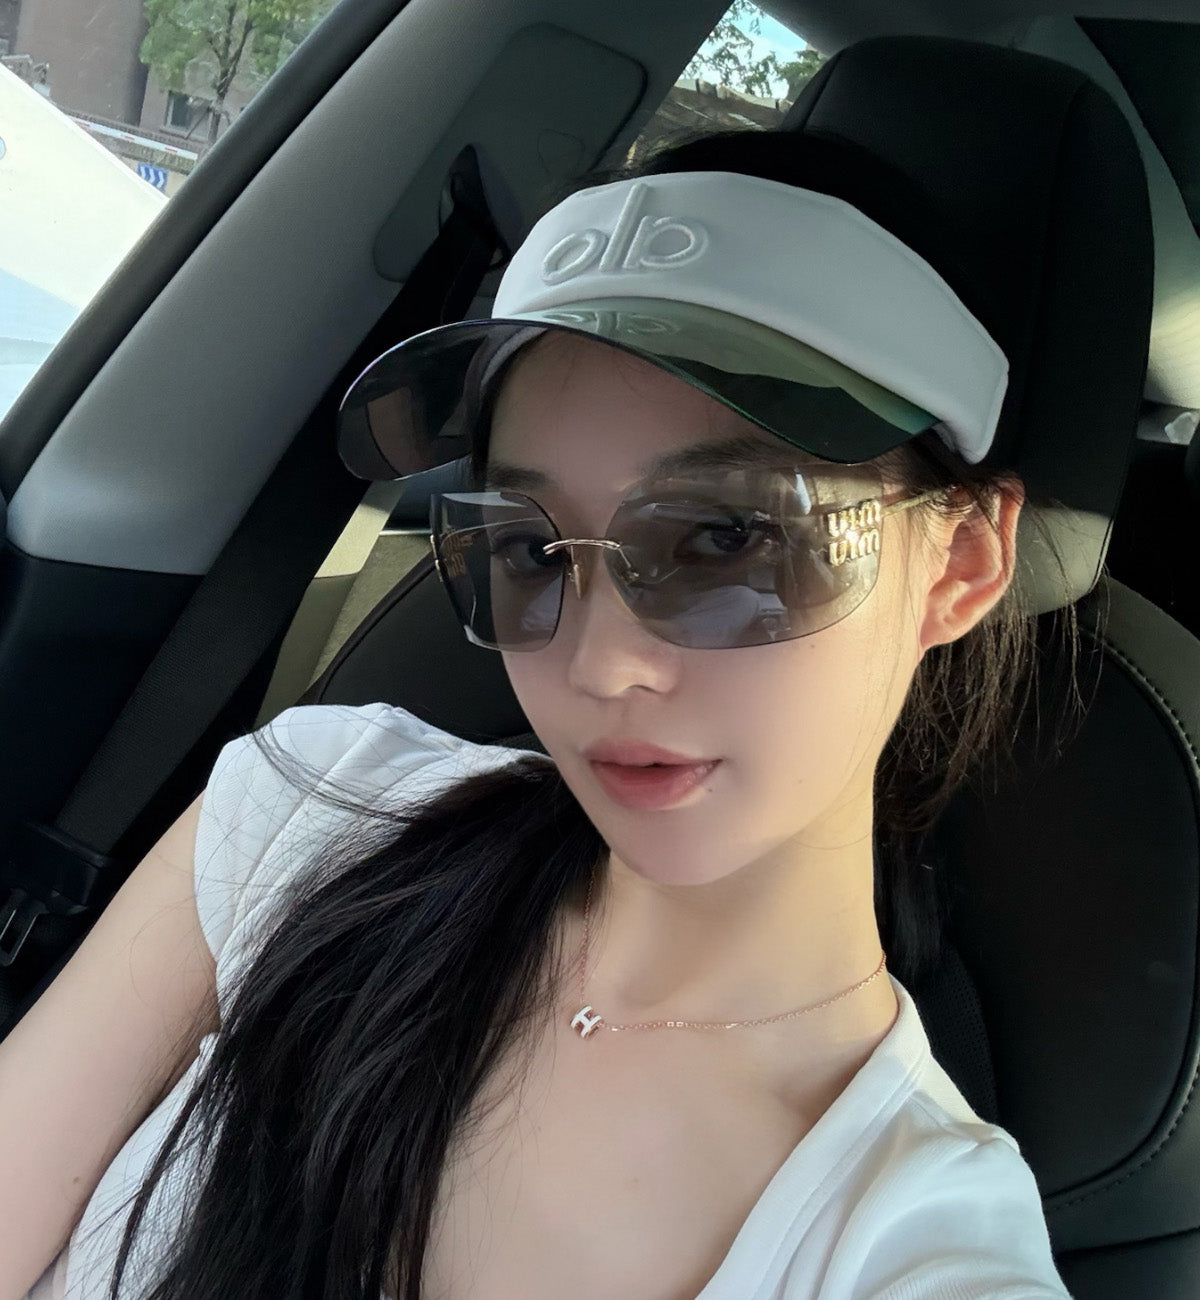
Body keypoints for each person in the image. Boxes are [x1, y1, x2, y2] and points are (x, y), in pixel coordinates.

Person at [5, 129, 1078, 1299]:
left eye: (728, 538)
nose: (603, 664)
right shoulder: (305, 809)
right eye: (529, 550)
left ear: (959, 564)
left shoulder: (913, 1241)